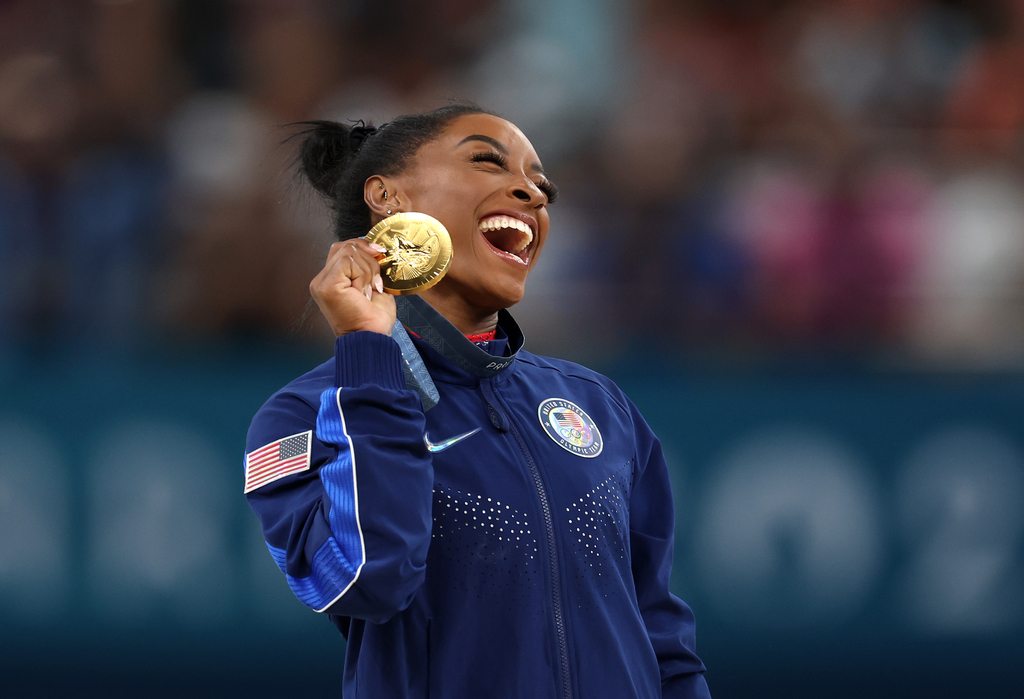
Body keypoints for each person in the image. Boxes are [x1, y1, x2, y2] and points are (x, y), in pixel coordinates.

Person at [244, 104, 711, 698]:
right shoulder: (305, 415)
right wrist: (367, 353)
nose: (534, 193)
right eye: (487, 161)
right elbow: (370, 577)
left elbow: (663, 642)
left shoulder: (597, 404)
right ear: (386, 196)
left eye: (543, 185)